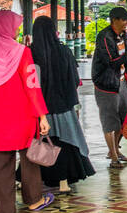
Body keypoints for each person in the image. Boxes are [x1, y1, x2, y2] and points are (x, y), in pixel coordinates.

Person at [0, 10, 54, 213]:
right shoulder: (22, 51)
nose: (16, 30)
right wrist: (42, 115)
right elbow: (32, 85)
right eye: (14, 26)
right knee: (30, 159)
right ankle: (34, 201)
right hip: (22, 114)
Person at [29, 16, 94, 193]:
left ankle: (30, 180)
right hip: (63, 107)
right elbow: (73, 79)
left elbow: (29, 83)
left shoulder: (30, 52)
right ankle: (64, 183)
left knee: (41, 143)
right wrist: (73, 103)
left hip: (39, 109)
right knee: (65, 143)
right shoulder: (64, 51)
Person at [92, 6, 127, 168]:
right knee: (110, 120)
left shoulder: (122, 35)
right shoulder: (104, 37)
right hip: (107, 84)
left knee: (124, 119)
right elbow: (111, 62)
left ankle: (114, 149)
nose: (126, 23)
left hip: (121, 81)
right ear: (114, 20)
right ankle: (114, 156)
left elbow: (124, 57)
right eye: (123, 19)